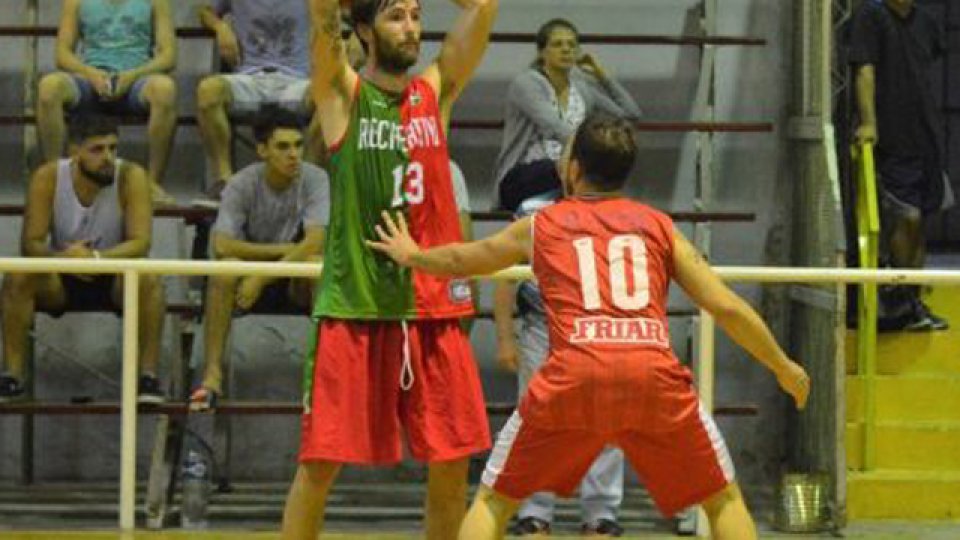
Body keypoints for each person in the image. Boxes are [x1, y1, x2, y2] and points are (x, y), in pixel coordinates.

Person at [368, 112, 811, 540]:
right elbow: (726, 306)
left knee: (492, 502)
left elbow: (465, 259)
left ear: (574, 167)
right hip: (651, 376)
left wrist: (412, 255)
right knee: (724, 501)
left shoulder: (540, 224)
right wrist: (782, 365)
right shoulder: (659, 226)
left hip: (574, 376)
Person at [280, 0, 498, 538]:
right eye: (396, 16)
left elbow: (484, 7)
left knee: (451, 464)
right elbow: (321, 17)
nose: (411, 28)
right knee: (320, 464)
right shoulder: (342, 95)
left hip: (432, 308)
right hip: (358, 305)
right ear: (363, 29)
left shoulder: (435, 93)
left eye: (416, 15)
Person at [0, 115, 166, 403]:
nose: (108, 158)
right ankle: (12, 375)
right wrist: (66, 258)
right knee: (17, 276)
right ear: (74, 152)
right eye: (97, 150)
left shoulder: (131, 176)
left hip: (114, 273)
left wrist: (96, 257)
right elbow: (31, 242)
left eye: (113, 148)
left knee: (149, 279)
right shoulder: (49, 176)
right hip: (61, 274)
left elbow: (141, 242)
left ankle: (148, 377)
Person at [493, 189, 625, 536]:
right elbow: (507, 274)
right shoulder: (532, 209)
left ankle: (601, 511)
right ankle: (535, 510)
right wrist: (505, 336)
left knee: (606, 420)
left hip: (602, 327)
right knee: (537, 422)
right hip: (541, 326)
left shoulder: (622, 213)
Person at [189, 109, 331, 412]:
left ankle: (321, 375)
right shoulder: (241, 183)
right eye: (283, 147)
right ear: (262, 150)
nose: (294, 154)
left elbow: (316, 242)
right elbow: (222, 244)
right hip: (251, 277)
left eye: (298, 145)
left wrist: (263, 276)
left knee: (317, 266)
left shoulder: (316, 179)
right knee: (223, 271)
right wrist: (281, 254)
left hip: (291, 280)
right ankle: (212, 374)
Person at [850, 0, 950, 331]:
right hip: (893, 140)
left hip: (927, 138)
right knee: (907, 218)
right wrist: (869, 123)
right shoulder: (871, 15)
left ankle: (914, 304)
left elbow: (926, 68)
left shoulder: (927, 22)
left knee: (921, 225)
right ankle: (900, 301)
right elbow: (864, 69)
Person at [36, 0, 178, 205]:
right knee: (49, 87)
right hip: (90, 80)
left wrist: (131, 76)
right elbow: (62, 54)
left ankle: (152, 183)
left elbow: (169, 55)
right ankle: (57, 180)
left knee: (165, 89)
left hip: (136, 80)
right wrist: (90, 73)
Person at [492, 18, 641, 212]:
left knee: (599, 173)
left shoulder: (581, 89)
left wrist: (602, 75)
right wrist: (590, 157)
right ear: (542, 52)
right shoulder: (527, 84)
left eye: (572, 45)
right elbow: (557, 128)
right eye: (557, 44)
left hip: (571, 173)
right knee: (575, 168)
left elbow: (631, 115)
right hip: (523, 176)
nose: (566, 49)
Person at [196, 0, 324, 200]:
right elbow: (205, 10)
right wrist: (220, 26)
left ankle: (304, 184)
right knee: (208, 91)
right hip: (250, 77)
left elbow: (349, 10)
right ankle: (225, 182)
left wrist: (354, 37)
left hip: (296, 80)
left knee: (330, 97)